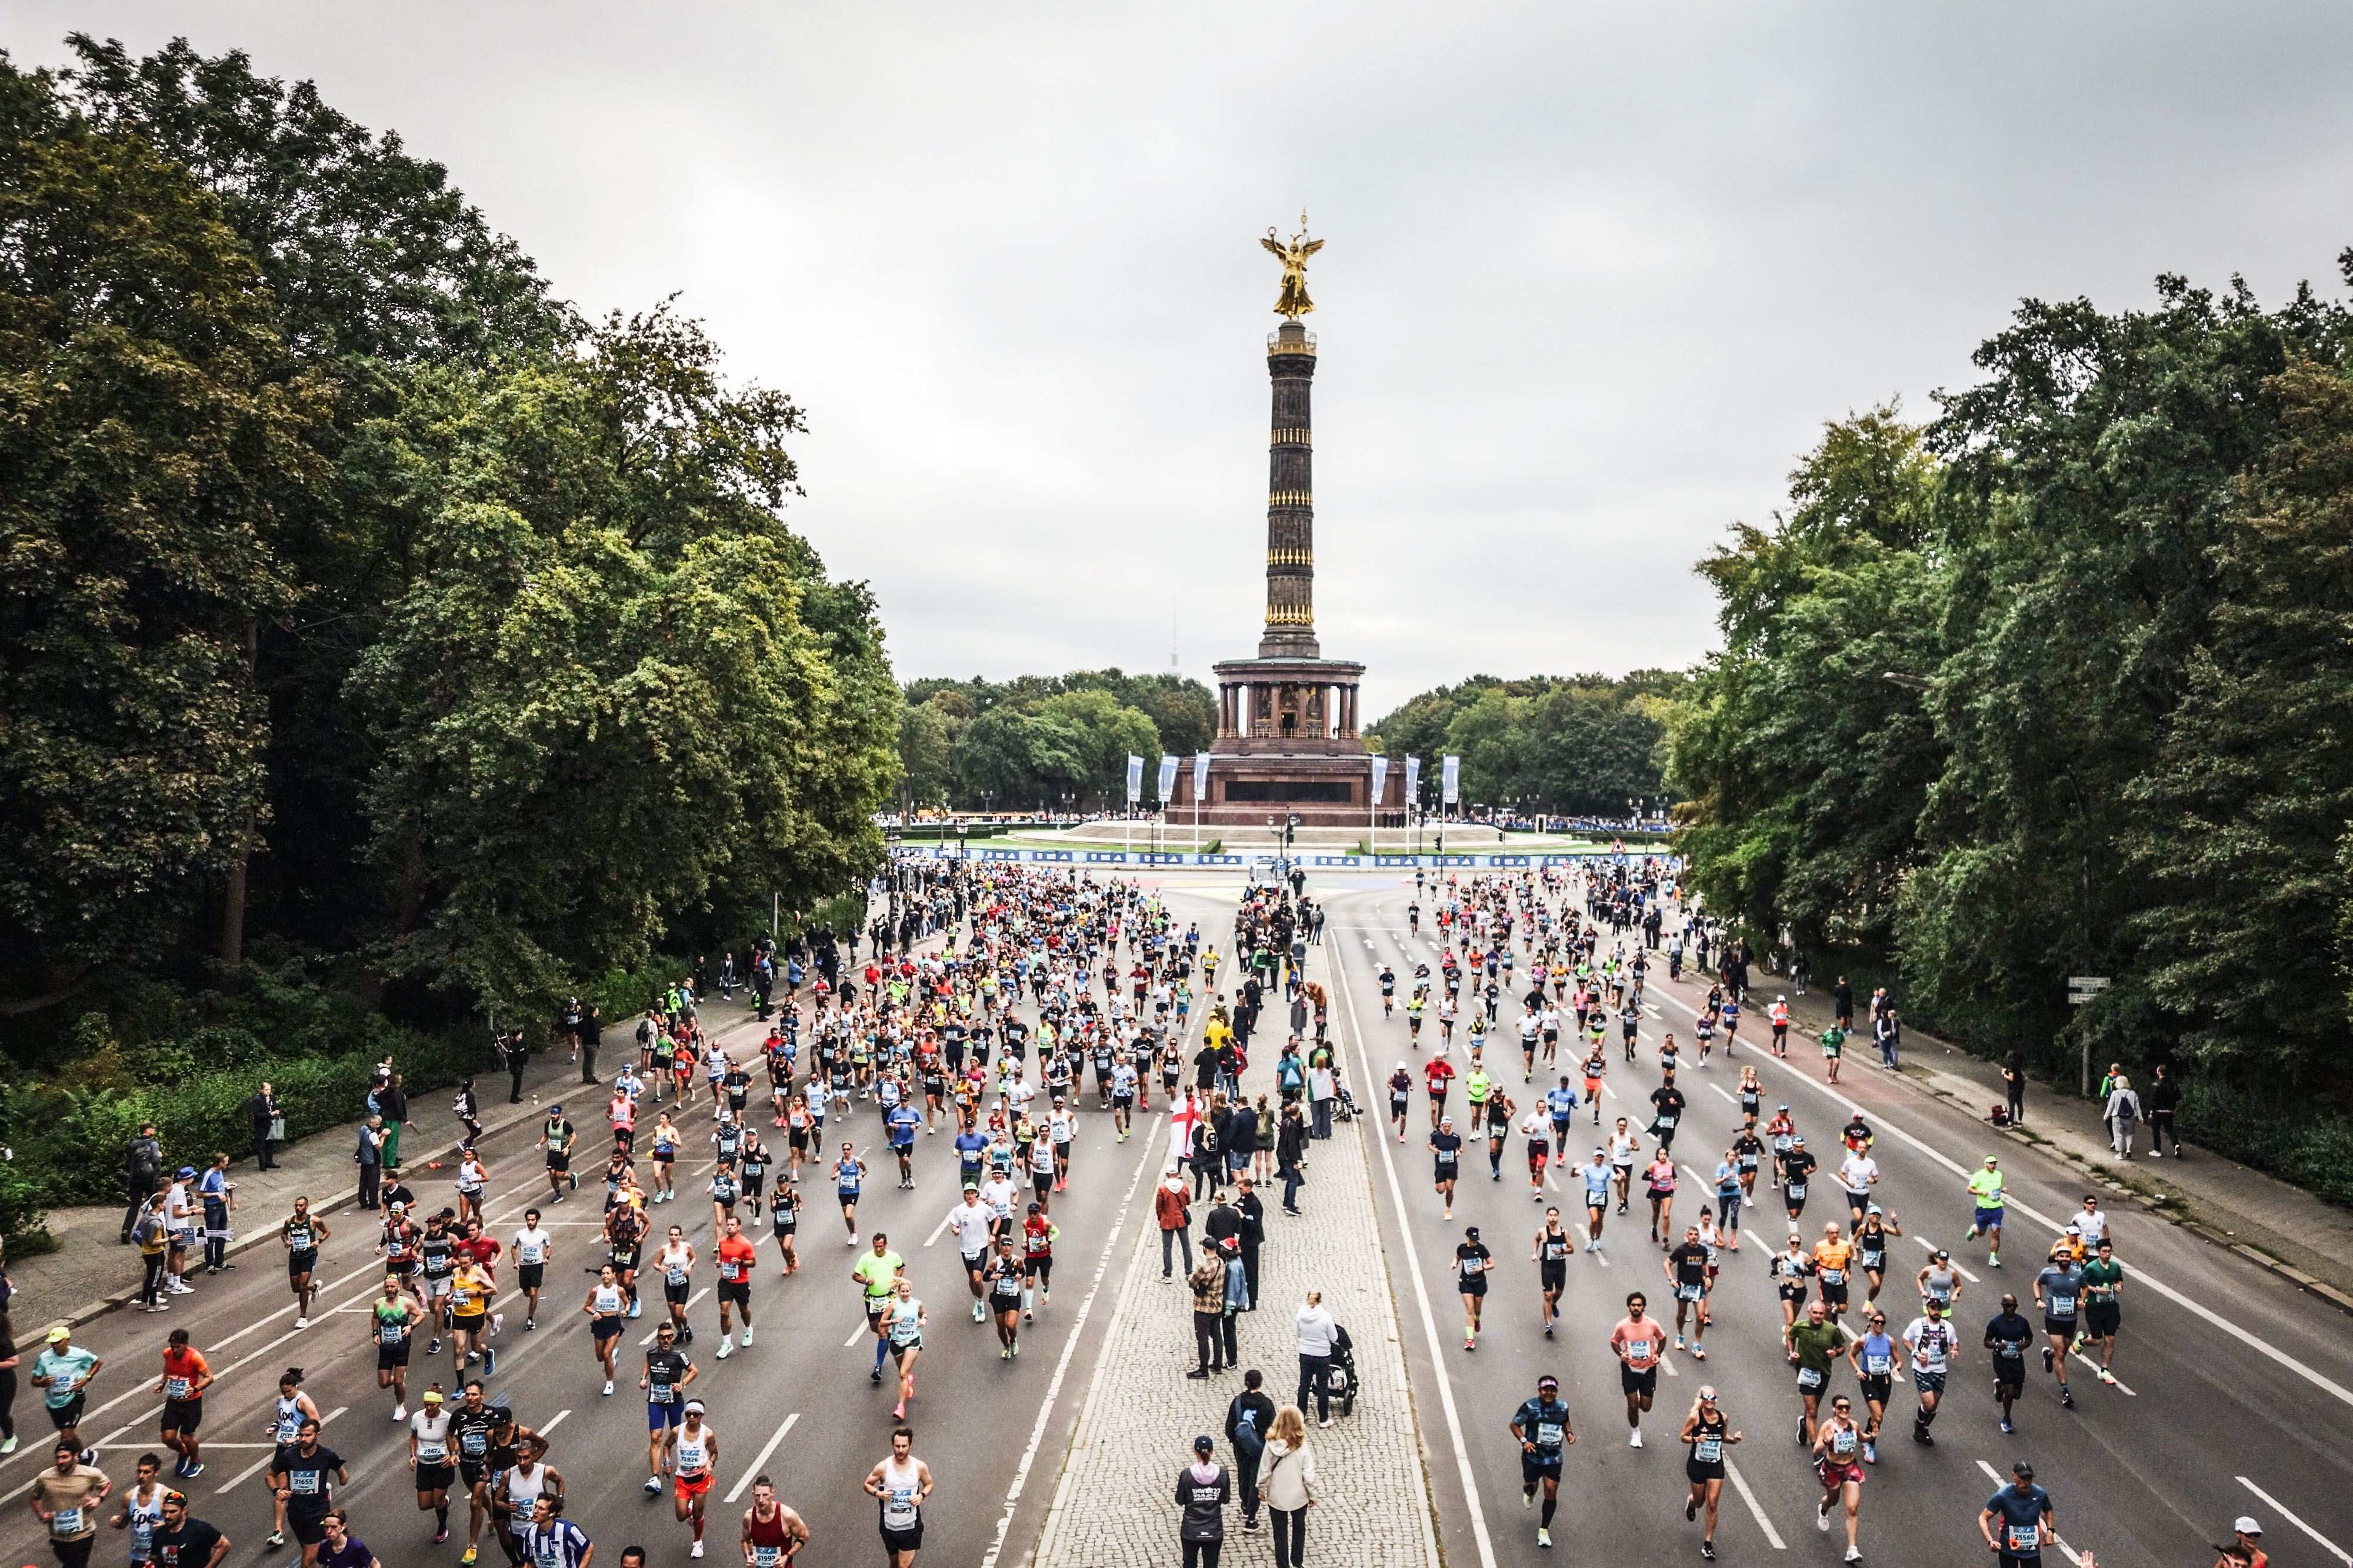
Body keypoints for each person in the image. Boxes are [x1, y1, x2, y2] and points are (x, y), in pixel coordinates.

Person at [268, 1416, 346, 1568]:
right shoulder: (289, 1455)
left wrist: (342, 1478)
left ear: (318, 1435)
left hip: (318, 1513)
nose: (303, 1439)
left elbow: (343, 1476)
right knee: (308, 1553)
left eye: (308, 1435)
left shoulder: (327, 1455)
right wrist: (277, 1490)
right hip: (296, 1513)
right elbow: (270, 1475)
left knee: (307, 1561)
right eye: (301, 1435)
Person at [1509, 1375, 1575, 1550]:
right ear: (1540, 1391)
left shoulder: (1563, 1407)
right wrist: (1524, 1441)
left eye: (1553, 1390)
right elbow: (1514, 1425)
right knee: (1530, 1486)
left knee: (1551, 1490)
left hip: (1553, 1457)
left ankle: (1544, 1530)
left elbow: (1565, 1420)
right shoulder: (1530, 1407)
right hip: (1533, 1456)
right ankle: (1530, 1493)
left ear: (1556, 1392)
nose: (1549, 1393)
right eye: (1546, 1390)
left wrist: (1569, 1433)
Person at [1679, 1387, 1738, 1561]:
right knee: (1700, 1502)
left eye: (1712, 1397)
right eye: (1706, 1398)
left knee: (1712, 1504)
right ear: (1702, 1399)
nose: (1710, 1400)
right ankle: (1692, 1502)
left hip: (1715, 1466)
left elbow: (1724, 1437)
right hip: (1697, 1465)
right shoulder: (1695, 1418)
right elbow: (1683, 1436)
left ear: (1716, 1399)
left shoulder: (1723, 1417)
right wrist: (1696, 1439)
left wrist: (1734, 1440)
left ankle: (1708, 1544)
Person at [32, 1438, 109, 1568]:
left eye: (65, 1457)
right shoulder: (45, 1477)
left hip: (83, 1534)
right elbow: (34, 1497)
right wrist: (41, 1514)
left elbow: (107, 1484)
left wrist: (99, 1499)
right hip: (58, 1537)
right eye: (58, 1458)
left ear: (76, 1456)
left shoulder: (89, 1474)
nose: (60, 1461)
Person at [1811, 1394, 1865, 1563]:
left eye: (1847, 1407)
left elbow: (1862, 1437)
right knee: (1833, 1501)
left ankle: (1852, 1550)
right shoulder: (1829, 1426)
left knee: (1852, 1508)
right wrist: (1826, 1441)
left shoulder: (1854, 1425)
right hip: (1833, 1470)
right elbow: (1816, 1450)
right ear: (1834, 1409)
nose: (1844, 1410)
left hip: (1850, 1468)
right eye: (1840, 1407)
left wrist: (1872, 1436)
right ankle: (1823, 1509)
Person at [864, 1428, 931, 1568]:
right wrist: (878, 1494)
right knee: (894, 1564)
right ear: (893, 1446)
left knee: (903, 1566)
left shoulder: (919, 1467)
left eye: (904, 1446)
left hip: (911, 1526)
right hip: (889, 1526)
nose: (900, 1450)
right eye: (897, 1446)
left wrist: (921, 1495)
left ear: (910, 1446)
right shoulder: (883, 1467)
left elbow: (929, 1484)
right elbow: (867, 1484)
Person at [1260, 1405, 1315, 1568]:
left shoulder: (1270, 1445)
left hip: (1277, 1496)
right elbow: (1308, 1474)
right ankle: (1297, 1562)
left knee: (1280, 1533)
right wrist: (1313, 1495)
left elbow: (1264, 1470)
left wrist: (1261, 1490)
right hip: (1299, 1495)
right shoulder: (1302, 1445)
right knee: (1299, 1528)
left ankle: (1283, 1565)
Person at [1609, 1292, 1667, 1446]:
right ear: (1629, 1307)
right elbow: (1614, 1342)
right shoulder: (1622, 1326)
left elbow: (1662, 1339)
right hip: (1630, 1368)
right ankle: (1636, 1432)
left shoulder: (1652, 1324)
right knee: (1633, 1405)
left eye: (1639, 1305)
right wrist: (1621, 1354)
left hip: (1648, 1369)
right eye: (1633, 1305)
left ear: (1644, 1307)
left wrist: (1658, 1354)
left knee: (1646, 1407)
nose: (1636, 1308)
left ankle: (1639, 1398)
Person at [664, 1402, 718, 1557]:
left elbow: (714, 1453)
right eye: (689, 1414)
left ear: (702, 1416)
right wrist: (667, 1463)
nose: (692, 1417)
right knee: (681, 1516)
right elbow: (667, 1446)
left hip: (701, 1479)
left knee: (698, 1514)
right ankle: (690, 1510)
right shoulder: (677, 1431)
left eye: (696, 1414)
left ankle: (697, 1542)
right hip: (683, 1480)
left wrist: (710, 1463)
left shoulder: (708, 1434)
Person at [1225, 1372, 1276, 1534]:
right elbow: (1273, 1428)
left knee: (1243, 1474)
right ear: (1260, 1383)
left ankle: (1245, 1503)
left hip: (1241, 1447)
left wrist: (1235, 1441)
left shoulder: (1238, 1402)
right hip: (1260, 1448)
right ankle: (1251, 1519)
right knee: (1255, 1479)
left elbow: (1229, 1427)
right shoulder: (1266, 1404)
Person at [155, 1330, 210, 1479]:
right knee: (167, 1438)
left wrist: (196, 1388)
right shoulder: (168, 1354)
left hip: (191, 1403)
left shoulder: (195, 1357)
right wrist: (163, 1383)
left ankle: (196, 1461)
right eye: (172, 1346)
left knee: (187, 1437)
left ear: (186, 1345)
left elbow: (209, 1377)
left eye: (177, 1347)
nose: (174, 1350)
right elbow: (167, 1369)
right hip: (174, 1401)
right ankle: (183, 1452)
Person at [1979, 1460, 2054, 1567]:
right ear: (2013, 1476)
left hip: (2032, 1551)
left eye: (2029, 1478)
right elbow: (1983, 1517)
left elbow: (2048, 1511)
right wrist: (1990, 1541)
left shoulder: (2040, 1494)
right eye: (2023, 1478)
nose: (2026, 1482)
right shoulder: (2003, 1495)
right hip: (2008, 1550)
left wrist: (2050, 1530)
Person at [1174, 1434, 1231, 1568]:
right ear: (1212, 1452)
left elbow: (1180, 1500)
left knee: (1189, 1563)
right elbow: (1225, 1499)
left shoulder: (1187, 1474)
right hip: (1214, 1529)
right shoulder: (1222, 1474)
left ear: (1195, 1452)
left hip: (1191, 1530)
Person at [32, 1326, 100, 1433]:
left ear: (67, 1340)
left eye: (58, 1342)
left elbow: (97, 1363)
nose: (55, 1345)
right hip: (54, 1402)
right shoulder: (44, 1358)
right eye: (52, 1343)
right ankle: (77, 1446)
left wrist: (86, 1379)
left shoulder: (79, 1354)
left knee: (66, 1434)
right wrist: (42, 1383)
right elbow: (34, 1381)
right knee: (67, 1433)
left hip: (74, 1398)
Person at [740, 1477, 809, 1568]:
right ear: (753, 1494)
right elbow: (745, 1540)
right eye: (758, 1495)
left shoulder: (787, 1516)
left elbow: (804, 1536)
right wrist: (748, 1556)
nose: (761, 1500)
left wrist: (787, 1557)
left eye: (765, 1495)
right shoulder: (749, 1517)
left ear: (772, 1493)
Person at [1294, 1291, 1338, 1427]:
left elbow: (1298, 1333)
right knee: (1323, 1386)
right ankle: (1323, 1419)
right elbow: (1334, 1338)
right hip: (1322, 1355)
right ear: (1320, 1301)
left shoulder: (1301, 1315)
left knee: (1304, 1385)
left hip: (1306, 1353)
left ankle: (1301, 1417)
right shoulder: (1326, 1317)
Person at [1157, 1168, 1194, 1278]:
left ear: (1167, 1175)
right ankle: (1189, 1272)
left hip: (1167, 1220)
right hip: (1181, 1220)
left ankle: (1167, 1274)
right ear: (1177, 1174)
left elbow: (1159, 1207)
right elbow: (1188, 1202)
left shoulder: (1163, 1189)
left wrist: (1161, 1218)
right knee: (1186, 1246)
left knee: (1167, 1248)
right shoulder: (1184, 1187)